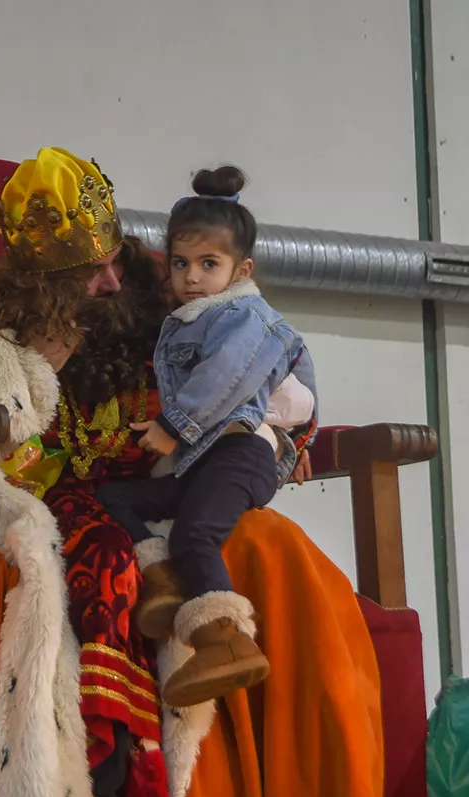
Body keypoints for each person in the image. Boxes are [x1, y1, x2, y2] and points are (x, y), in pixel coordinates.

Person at [0, 147, 384, 797]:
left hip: (176, 484)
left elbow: (253, 364)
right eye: (92, 274)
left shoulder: (165, 301)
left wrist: (278, 437)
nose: (115, 282)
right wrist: (41, 373)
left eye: (116, 261)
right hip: (53, 505)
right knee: (66, 567)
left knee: (274, 548)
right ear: (41, 285)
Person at [95, 165, 318, 710]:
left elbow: (231, 375)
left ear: (241, 269)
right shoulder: (192, 316)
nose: (191, 276)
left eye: (208, 264)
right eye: (180, 263)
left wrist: (175, 427)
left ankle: (227, 644)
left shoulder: (245, 316)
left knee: (196, 530)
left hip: (240, 453)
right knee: (114, 497)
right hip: (207, 457)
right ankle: (163, 579)